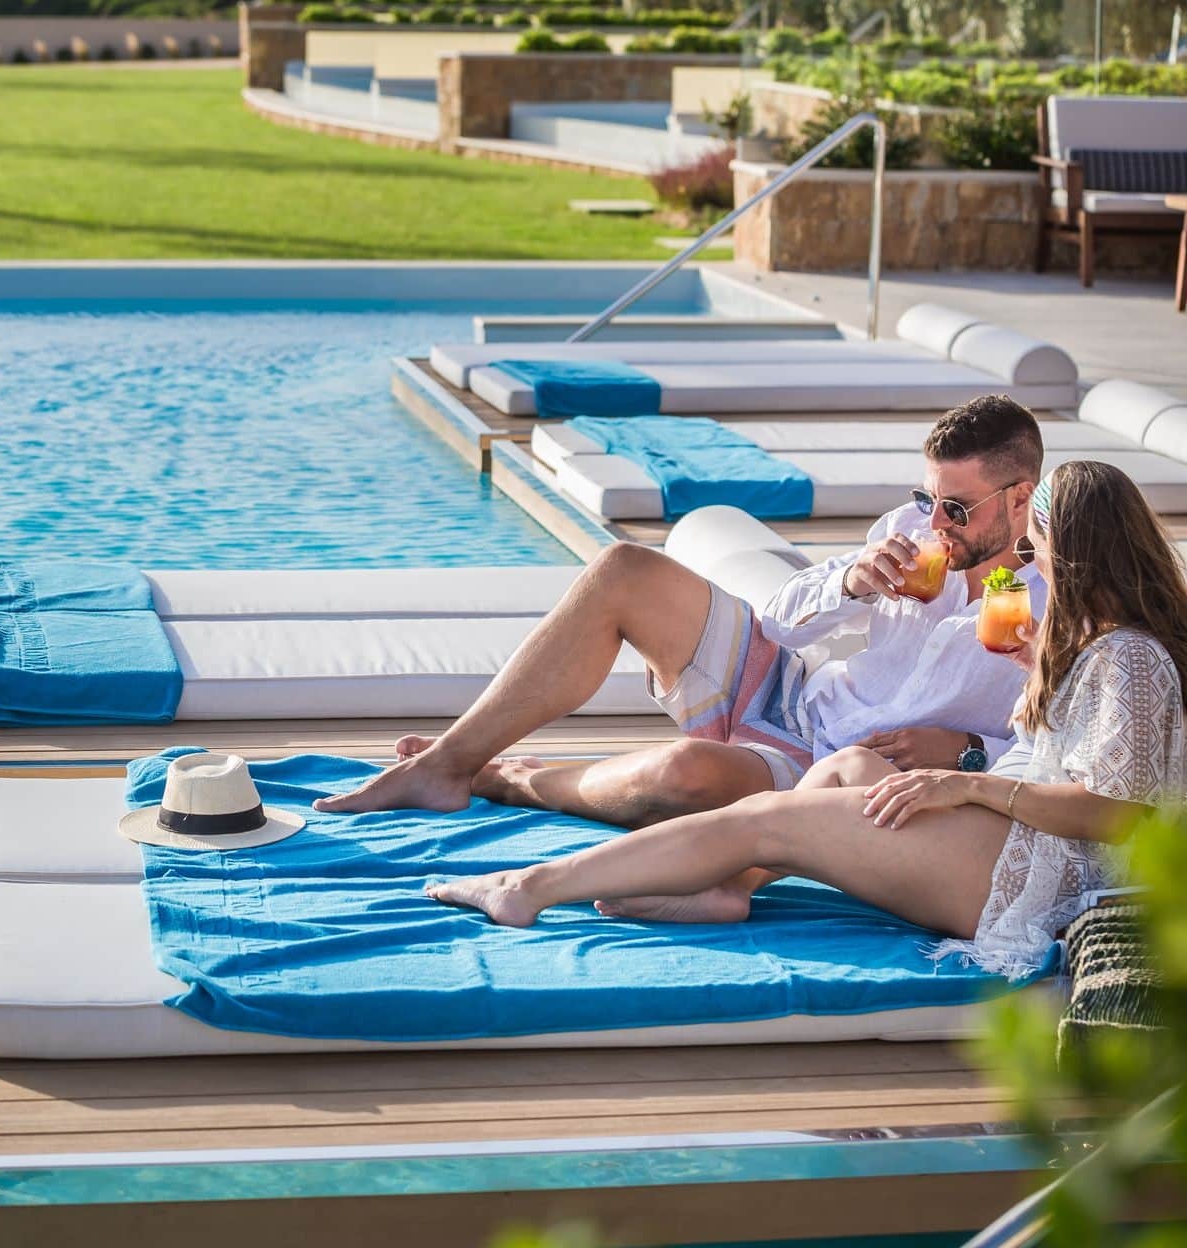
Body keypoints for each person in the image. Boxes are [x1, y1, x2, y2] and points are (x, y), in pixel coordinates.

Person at [424, 461, 1187, 980]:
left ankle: (527, 887)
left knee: (761, 815)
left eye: (1040, 544)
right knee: (845, 772)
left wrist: (970, 788)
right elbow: (1079, 755)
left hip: (1027, 876)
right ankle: (728, 890)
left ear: (1079, 550)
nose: (1031, 557)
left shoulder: (1129, 657)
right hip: (1013, 844)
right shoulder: (1102, 647)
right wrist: (1038, 682)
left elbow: (1119, 815)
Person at [316, 395, 1048, 826]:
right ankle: (447, 761)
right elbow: (782, 622)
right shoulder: (909, 531)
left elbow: (1069, 751)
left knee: (690, 774)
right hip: (792, 692)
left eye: (955, 507)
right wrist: (851, 581)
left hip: (825, 768)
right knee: (624, 569)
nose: (936, 522)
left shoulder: (1054, 600)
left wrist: (968, 754)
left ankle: (503, 779)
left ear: (1020, 498)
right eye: (928, 498)